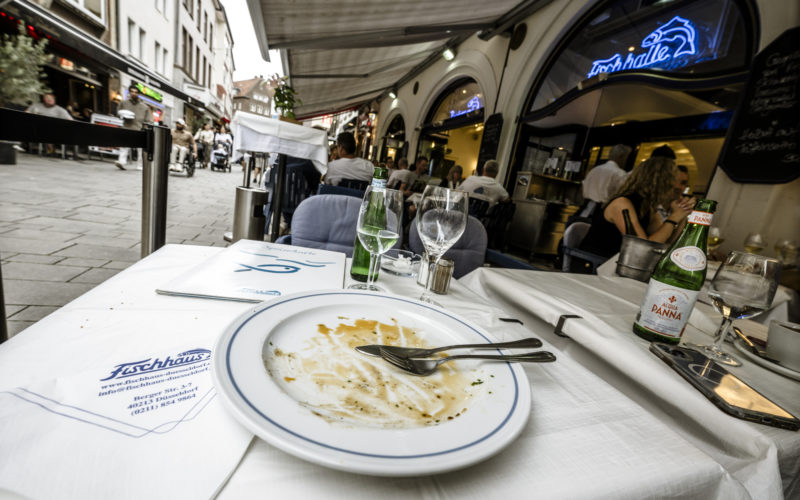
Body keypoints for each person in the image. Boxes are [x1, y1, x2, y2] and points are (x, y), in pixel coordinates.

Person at [579, 156, 695, 259]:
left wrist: (682, 216)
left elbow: (665, 245)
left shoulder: (648, 207)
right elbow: (642, 249)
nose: (677, 188)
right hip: (593, 266)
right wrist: (674, 217)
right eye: (673, 183)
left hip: (619, 266)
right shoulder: (622, 204)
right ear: (660, 183)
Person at [115, 85, 153, 170]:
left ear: (138, 94)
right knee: (124, 146)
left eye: (136, 92)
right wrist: (122, 115)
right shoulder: (123, 103)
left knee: (140, 149)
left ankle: (140, 165)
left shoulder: (144, 107)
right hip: (126, 127)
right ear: (129, 92)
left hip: (139, 129)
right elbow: (118, 113)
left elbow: (149, 120)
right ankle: (122, 162)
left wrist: (145, 128)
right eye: (132, 92)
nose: (134, 94)